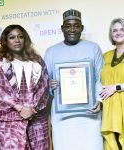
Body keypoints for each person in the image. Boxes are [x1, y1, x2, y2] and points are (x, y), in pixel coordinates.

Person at [44, 9, 104, 150]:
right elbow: (44, 83)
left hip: (89, 114)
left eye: (76, 26)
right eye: (68, 26)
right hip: (63, 116)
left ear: (81, 28)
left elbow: (100, 78)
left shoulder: (93, 48)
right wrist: (50, 85)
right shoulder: (51, 51)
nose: (72, 29)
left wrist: (100, 102)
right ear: (62, 28)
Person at [0, 24, 50, 150]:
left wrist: (30, 108)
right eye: (12, 37)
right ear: (5, 41)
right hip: (9, 124)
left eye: (20, 37)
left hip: (36, 121)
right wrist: (19, 108)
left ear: (25, 39)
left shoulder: (37, 61)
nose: (17, 40)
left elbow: (44, 86)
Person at [100, 18, 124, 150]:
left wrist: (116, 87)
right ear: (111, 34)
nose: (118, 32)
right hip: (109, 110)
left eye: (122, 29)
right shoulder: (105, 56)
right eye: (115, 30)